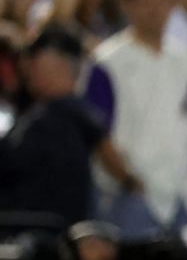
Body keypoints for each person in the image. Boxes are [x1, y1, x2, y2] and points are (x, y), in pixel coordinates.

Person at [83, 0, 187, 240]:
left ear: (173, 5)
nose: (154, 10)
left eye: (161, 1)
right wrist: (128, 180)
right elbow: (97, 131)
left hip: (179, 193)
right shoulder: (108, 61)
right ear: (129, 5)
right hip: (127, 193)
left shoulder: (186, 60)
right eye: (145, 1)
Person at [0, 26, 136, 231]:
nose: (28, 67)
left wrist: (132, 183)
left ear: (58, 63)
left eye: (36, 59)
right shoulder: (30, 110)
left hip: (53, 230)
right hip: (22, 226)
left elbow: (109, 153)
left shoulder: (73, 109)